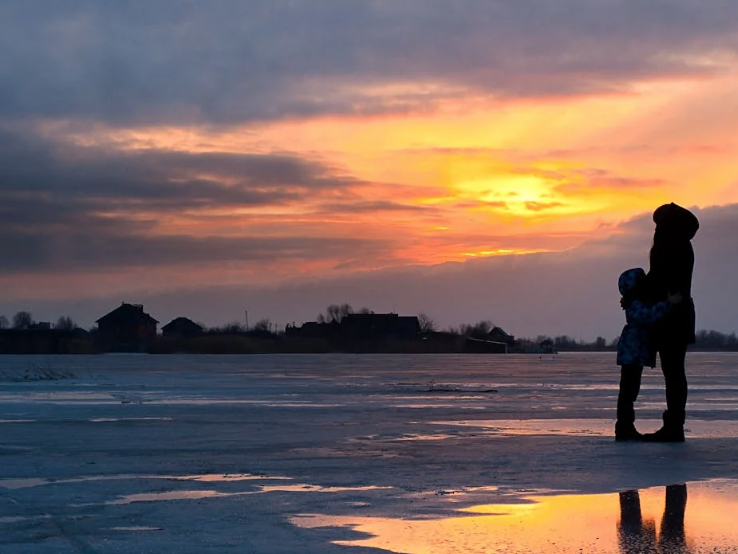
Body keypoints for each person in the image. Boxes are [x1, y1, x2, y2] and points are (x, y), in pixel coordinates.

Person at [641, 203, 699, 442]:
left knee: (673, 371)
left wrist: (639, 292)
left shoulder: (672, 245)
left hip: (672, 315)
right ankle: (674, 424)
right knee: (674, 371)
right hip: (676, 313)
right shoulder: (680, 244)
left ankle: (674, 426)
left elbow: (660, 279)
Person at [615, 268, 681, 441]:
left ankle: (625, 425)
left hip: (634, 353)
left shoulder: (635, 301)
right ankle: (624, 427)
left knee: (630, 390)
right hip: (632, 354)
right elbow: (647, 316)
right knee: (628, 391)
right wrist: (668, 303)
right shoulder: (634, 303)